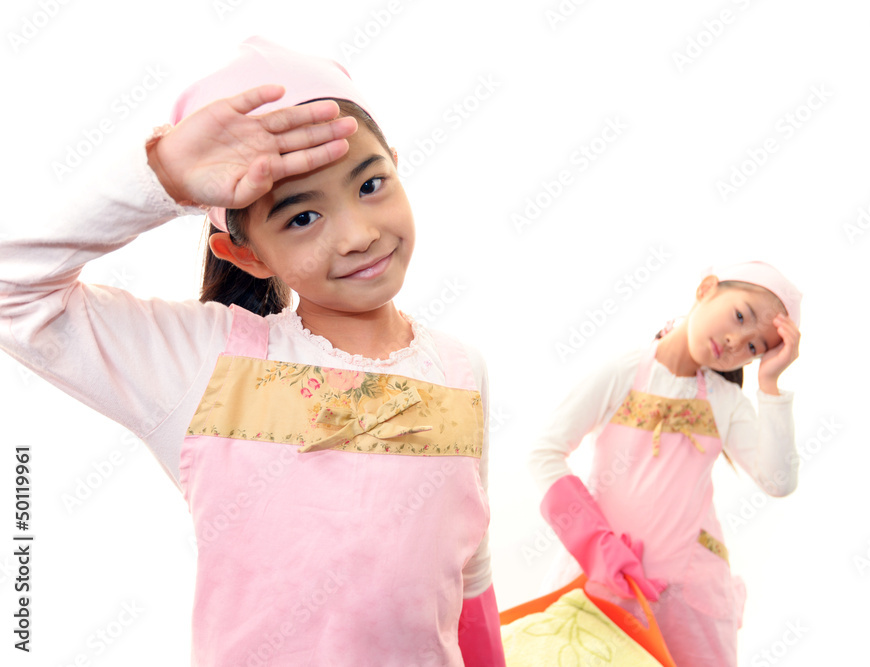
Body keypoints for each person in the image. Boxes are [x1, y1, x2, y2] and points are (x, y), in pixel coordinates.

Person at [0, 37, 504, 666]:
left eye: (371, 184)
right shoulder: (206, 365)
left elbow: (471, 572)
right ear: (246, 253)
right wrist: (161, 177)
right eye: (301, 218)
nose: (358, 234)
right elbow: (13, 292)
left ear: (397, 167)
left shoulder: (461, 369)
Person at [527, 261, 802, 667]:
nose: (735, 340)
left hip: (691, 601)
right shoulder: (624, 371)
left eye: (754, 347)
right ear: (706, 289)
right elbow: (544, 452)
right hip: (604, 581)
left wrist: (770, 385)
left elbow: (778, 481)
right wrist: (594, 543)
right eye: (740, 316)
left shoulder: (726, 403)